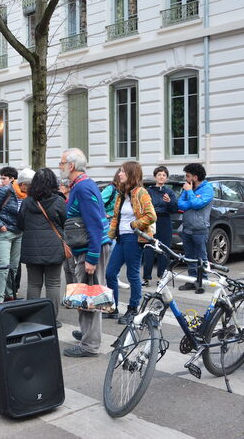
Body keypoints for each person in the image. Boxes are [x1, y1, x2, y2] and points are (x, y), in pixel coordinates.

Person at [59, 149, 111, 358]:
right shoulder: (82, 185)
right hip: (89, 247)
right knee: (85, 293)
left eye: (61, 163)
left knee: (91, 295)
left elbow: (95, 224)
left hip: (92, 249)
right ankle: (88, 333)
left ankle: (90, 344)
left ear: (71, 166)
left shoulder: (82, 187)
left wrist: (91, 257)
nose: (60, 166)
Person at [105, 161, 157, 325]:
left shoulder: (141, 193)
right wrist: (111, 234)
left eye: (122, 171)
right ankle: (113, 307)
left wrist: (134, 225)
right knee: (110, 273)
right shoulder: (122, 194)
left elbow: (151, 216)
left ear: (131, 174)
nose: (119, 174)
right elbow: (116, 217)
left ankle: (133, 309)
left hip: (134, 239)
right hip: (121, 238)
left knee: (132, 275)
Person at [17, 168, 66, 326]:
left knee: (33, 283)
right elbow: (65, 222)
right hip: (54, 247)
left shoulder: (27, 201)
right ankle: (51, 318)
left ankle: (32, 317)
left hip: (32, 248)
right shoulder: (58, 201)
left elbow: (20, 224)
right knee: (53, 283)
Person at [0, 166, 33, 303]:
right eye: (30, 186)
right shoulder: (5, 190)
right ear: (23, 184)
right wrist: (0, 226)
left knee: (14, 266)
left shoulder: (27, 195)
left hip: (18, 232)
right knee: (3, 266)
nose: (31, 189)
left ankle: (10, 294)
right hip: (4, 233)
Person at [177, 163, 214, 294]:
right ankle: (192, 280)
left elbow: (197, 204)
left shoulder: (207, 189)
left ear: (195, 177)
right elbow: (180, 204)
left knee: (201, 257)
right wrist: (190, 198)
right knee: (189, 256)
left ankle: (202, 281)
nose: (185, 178)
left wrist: (189, 192)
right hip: (187, 228)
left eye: (187, 176)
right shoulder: (188, 187)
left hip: (200, 229)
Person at [142, 166, 178, 287]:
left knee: (164, 249)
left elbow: (174, 209)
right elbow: (145, 206)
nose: (161, 177)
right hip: (152, 221)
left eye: (163, 175)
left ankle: (161, 277)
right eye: (159, 175)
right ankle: (146, 278)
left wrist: (169, 202)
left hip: (164, 221)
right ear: (155, 177)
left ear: (166, 178)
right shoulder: (149, 190)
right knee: (149, 248)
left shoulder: (170, 192)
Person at [59, 178, 77, 285]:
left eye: (61, 186)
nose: (59, 188)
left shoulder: (71, 202)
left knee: (72, 267)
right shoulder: (62, 201)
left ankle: (75, 293)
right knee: (66, 268)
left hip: (72, 236)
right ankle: (69, 292)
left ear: (67, 188)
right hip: (63, 237)